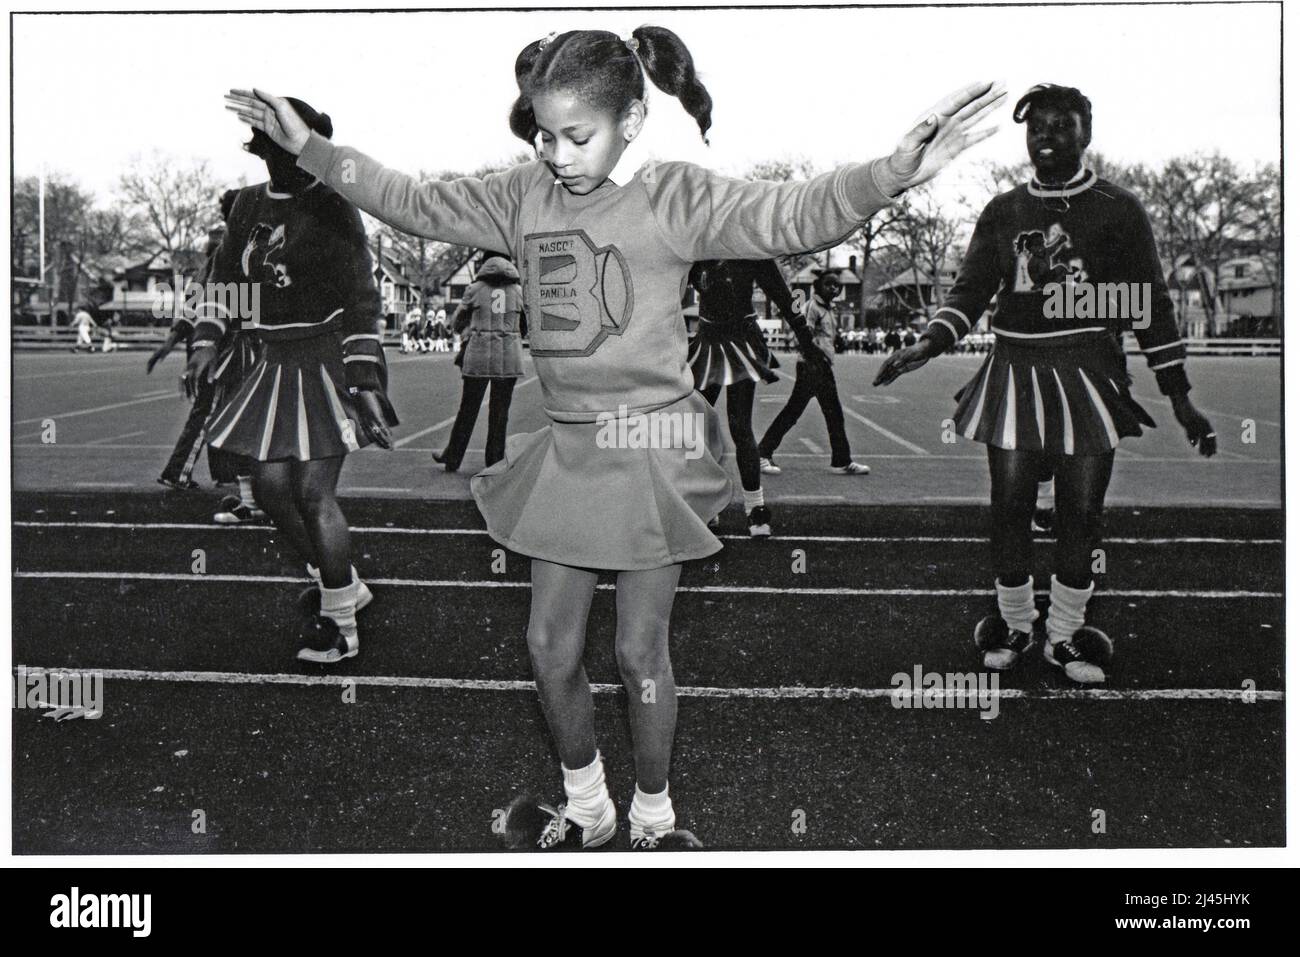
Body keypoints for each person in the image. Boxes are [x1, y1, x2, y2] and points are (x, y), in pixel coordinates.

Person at [226, 36, 1000, 847]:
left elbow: (794, 211)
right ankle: (590, 807)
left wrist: (891, 173)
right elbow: (409, 199)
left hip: (651, 447)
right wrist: (307, 146)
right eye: (543, 135)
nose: (556, 155)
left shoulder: (674, 196)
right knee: (548, 646)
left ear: (631, 119)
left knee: (639, 652)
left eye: (577, 136)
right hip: (569, 448)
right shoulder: (522, 193)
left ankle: (655, 818)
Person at [875, 83, 1216, 684]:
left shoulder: (1118, 207)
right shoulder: (1004, 209)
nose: (1047, 137)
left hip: (1089, 376)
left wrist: (1180, 397)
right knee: (1009, 507)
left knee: (1080, 513)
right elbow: (972, 289)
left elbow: (1151, 305)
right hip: (1014, 374)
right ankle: (1012, 623)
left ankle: (1064, 635)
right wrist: (929, 343)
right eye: (1037, 128)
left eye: (1061, 125)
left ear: (1087, 131)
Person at [188, 96, 398, 664]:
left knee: (312, 493)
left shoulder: (335, 204)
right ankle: (343, 583)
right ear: (260, 149)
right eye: (274, 146)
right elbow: (226, 280)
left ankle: (340, 624)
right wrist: (206, 339)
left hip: (327, 359)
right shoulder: (248, 205)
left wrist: (364, 378)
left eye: (297, 144)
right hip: (270, 362)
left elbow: (360, 296)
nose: (287, 158)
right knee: (274, 492)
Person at [687, 258, 819, 536]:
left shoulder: (749, 249)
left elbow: (785, 298)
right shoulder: (698, 246)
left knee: (739, 426)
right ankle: (706, 503)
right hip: (707, 343)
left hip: (741, 344)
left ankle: (755, 508)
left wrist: (807, 342)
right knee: (696, 427)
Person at [758, 269, 871, 476]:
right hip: (813, 366)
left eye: (837, 285)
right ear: (818, 286)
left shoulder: (828, 309)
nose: (834, 288)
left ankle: (840, 460)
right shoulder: (812, 307)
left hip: (820, 366)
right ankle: (763, 453)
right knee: (818, 412)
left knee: (814, 412)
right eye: (829, 284)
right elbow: (804, 335)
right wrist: (818, 356)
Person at [433, 254, 525, 472]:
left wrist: (470, 329)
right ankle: (493, 460)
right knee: (500, 411)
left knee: (468, 409)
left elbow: (456, 323)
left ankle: (453, 457)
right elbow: (526, 325)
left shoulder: (474, 289)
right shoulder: (519, 291)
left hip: (479, 355)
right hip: (508, 355)